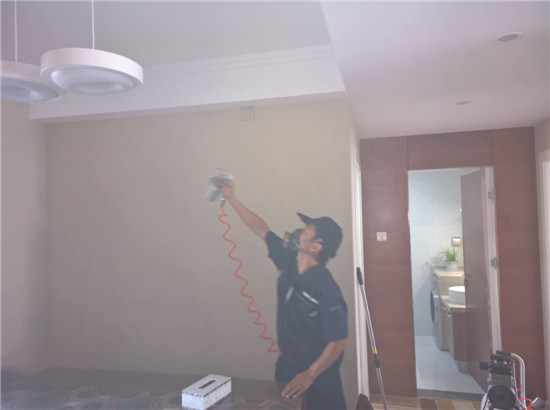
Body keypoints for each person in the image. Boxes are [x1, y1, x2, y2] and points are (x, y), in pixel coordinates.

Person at [221, 183, 348, 410]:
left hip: (318, 376)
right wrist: (231, 198)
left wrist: (310, 375)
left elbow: (339, 341)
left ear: (316, 247)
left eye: (306, 230)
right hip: (288, 366)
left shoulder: (326, 288)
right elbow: (260, 228)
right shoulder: (287, 259)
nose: (300, 231)